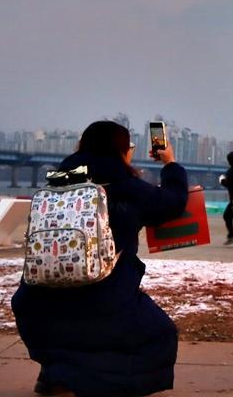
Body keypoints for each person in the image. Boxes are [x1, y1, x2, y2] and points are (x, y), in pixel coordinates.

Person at [12, 120, 188, 397]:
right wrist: (170, 164)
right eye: (128, 148)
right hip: (103, 306)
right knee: (160, 334)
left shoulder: (55, 185)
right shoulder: (126, 188)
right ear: (120, 152)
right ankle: (94, 383)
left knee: (69, 329)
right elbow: (173, 203)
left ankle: (56, 375)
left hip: (34, 310)